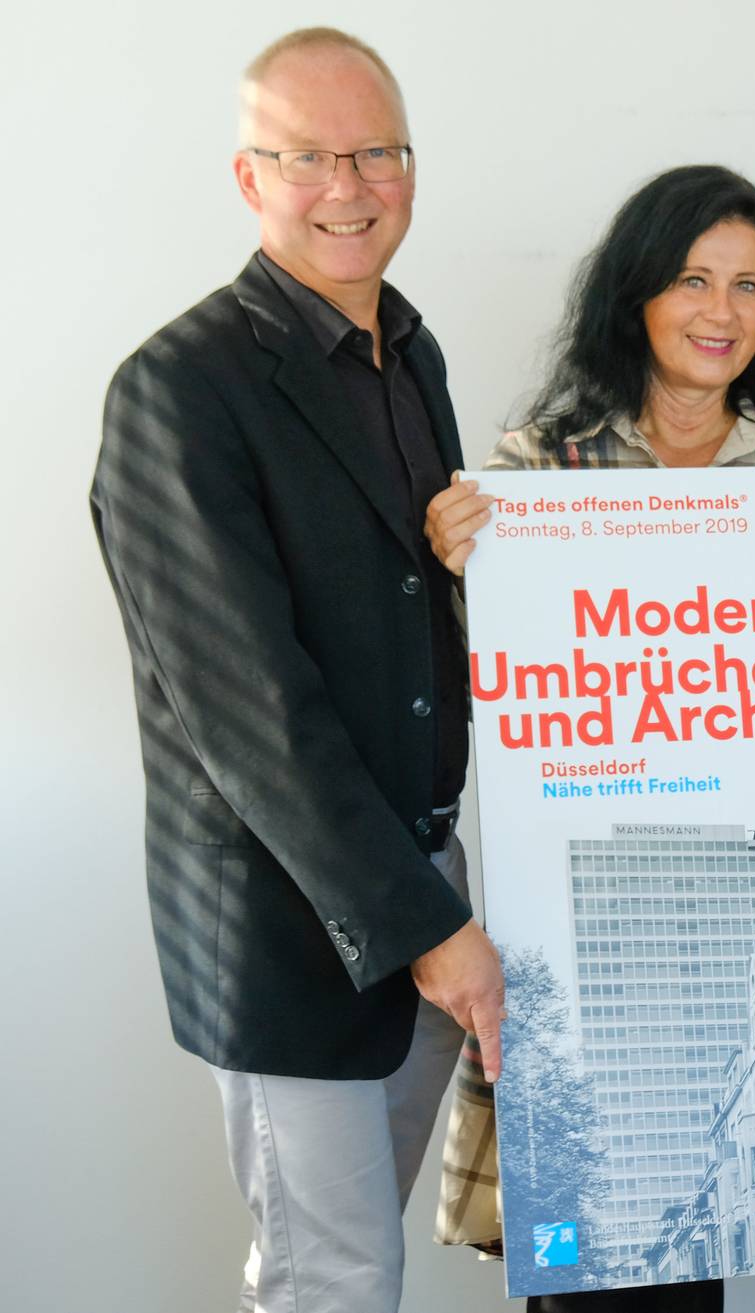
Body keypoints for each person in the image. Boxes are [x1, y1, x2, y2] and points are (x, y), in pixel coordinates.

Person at [91, 28, 503, 1313]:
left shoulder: (412, 354)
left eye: (379, 150)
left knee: (333, 1264)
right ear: (248, 177)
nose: (351, 184)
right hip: (294, 926)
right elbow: (251, 714)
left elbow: (395, 611)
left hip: (428, 880)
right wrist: (431, 933)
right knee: (336, 1277)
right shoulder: (177, 390)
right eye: (311, 155)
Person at [426, 164, 755, 1313]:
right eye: (691, 279)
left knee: (695, 1254)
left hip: (741, 928)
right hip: (590, 918)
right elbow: (495, 694)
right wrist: (460, 563)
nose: (722, 311)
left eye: (750, 286)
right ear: (637, 295)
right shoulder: (533, 471)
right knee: (583, 1264)